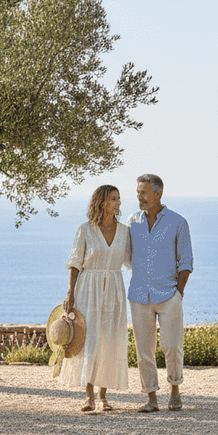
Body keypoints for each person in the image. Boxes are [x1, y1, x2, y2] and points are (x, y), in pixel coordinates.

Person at [61, 185, 132, 411]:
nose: (118, 203)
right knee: (90, 341)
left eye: (119, 198)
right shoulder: (85, 230)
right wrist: (70, 292)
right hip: (88, 289)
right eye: (113, 199)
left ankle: (104, 395)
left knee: (110, 340)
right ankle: (89, 396)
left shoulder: (124, 232)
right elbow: (74, 263)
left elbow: (133, 262)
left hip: (114, 289)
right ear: (102, 202)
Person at [127, 174, 193, 413]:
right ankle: (151, 397)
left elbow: (186, 261)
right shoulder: (132, 221)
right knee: (143, 349)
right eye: (138, 192)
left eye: (143, 192)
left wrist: (179, 293)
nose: (139, 197)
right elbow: (125, 255)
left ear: (158, 194)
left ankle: (175, 390)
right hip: (139, 295)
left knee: (172, 346)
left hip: (168, 295)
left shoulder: (177, 222)